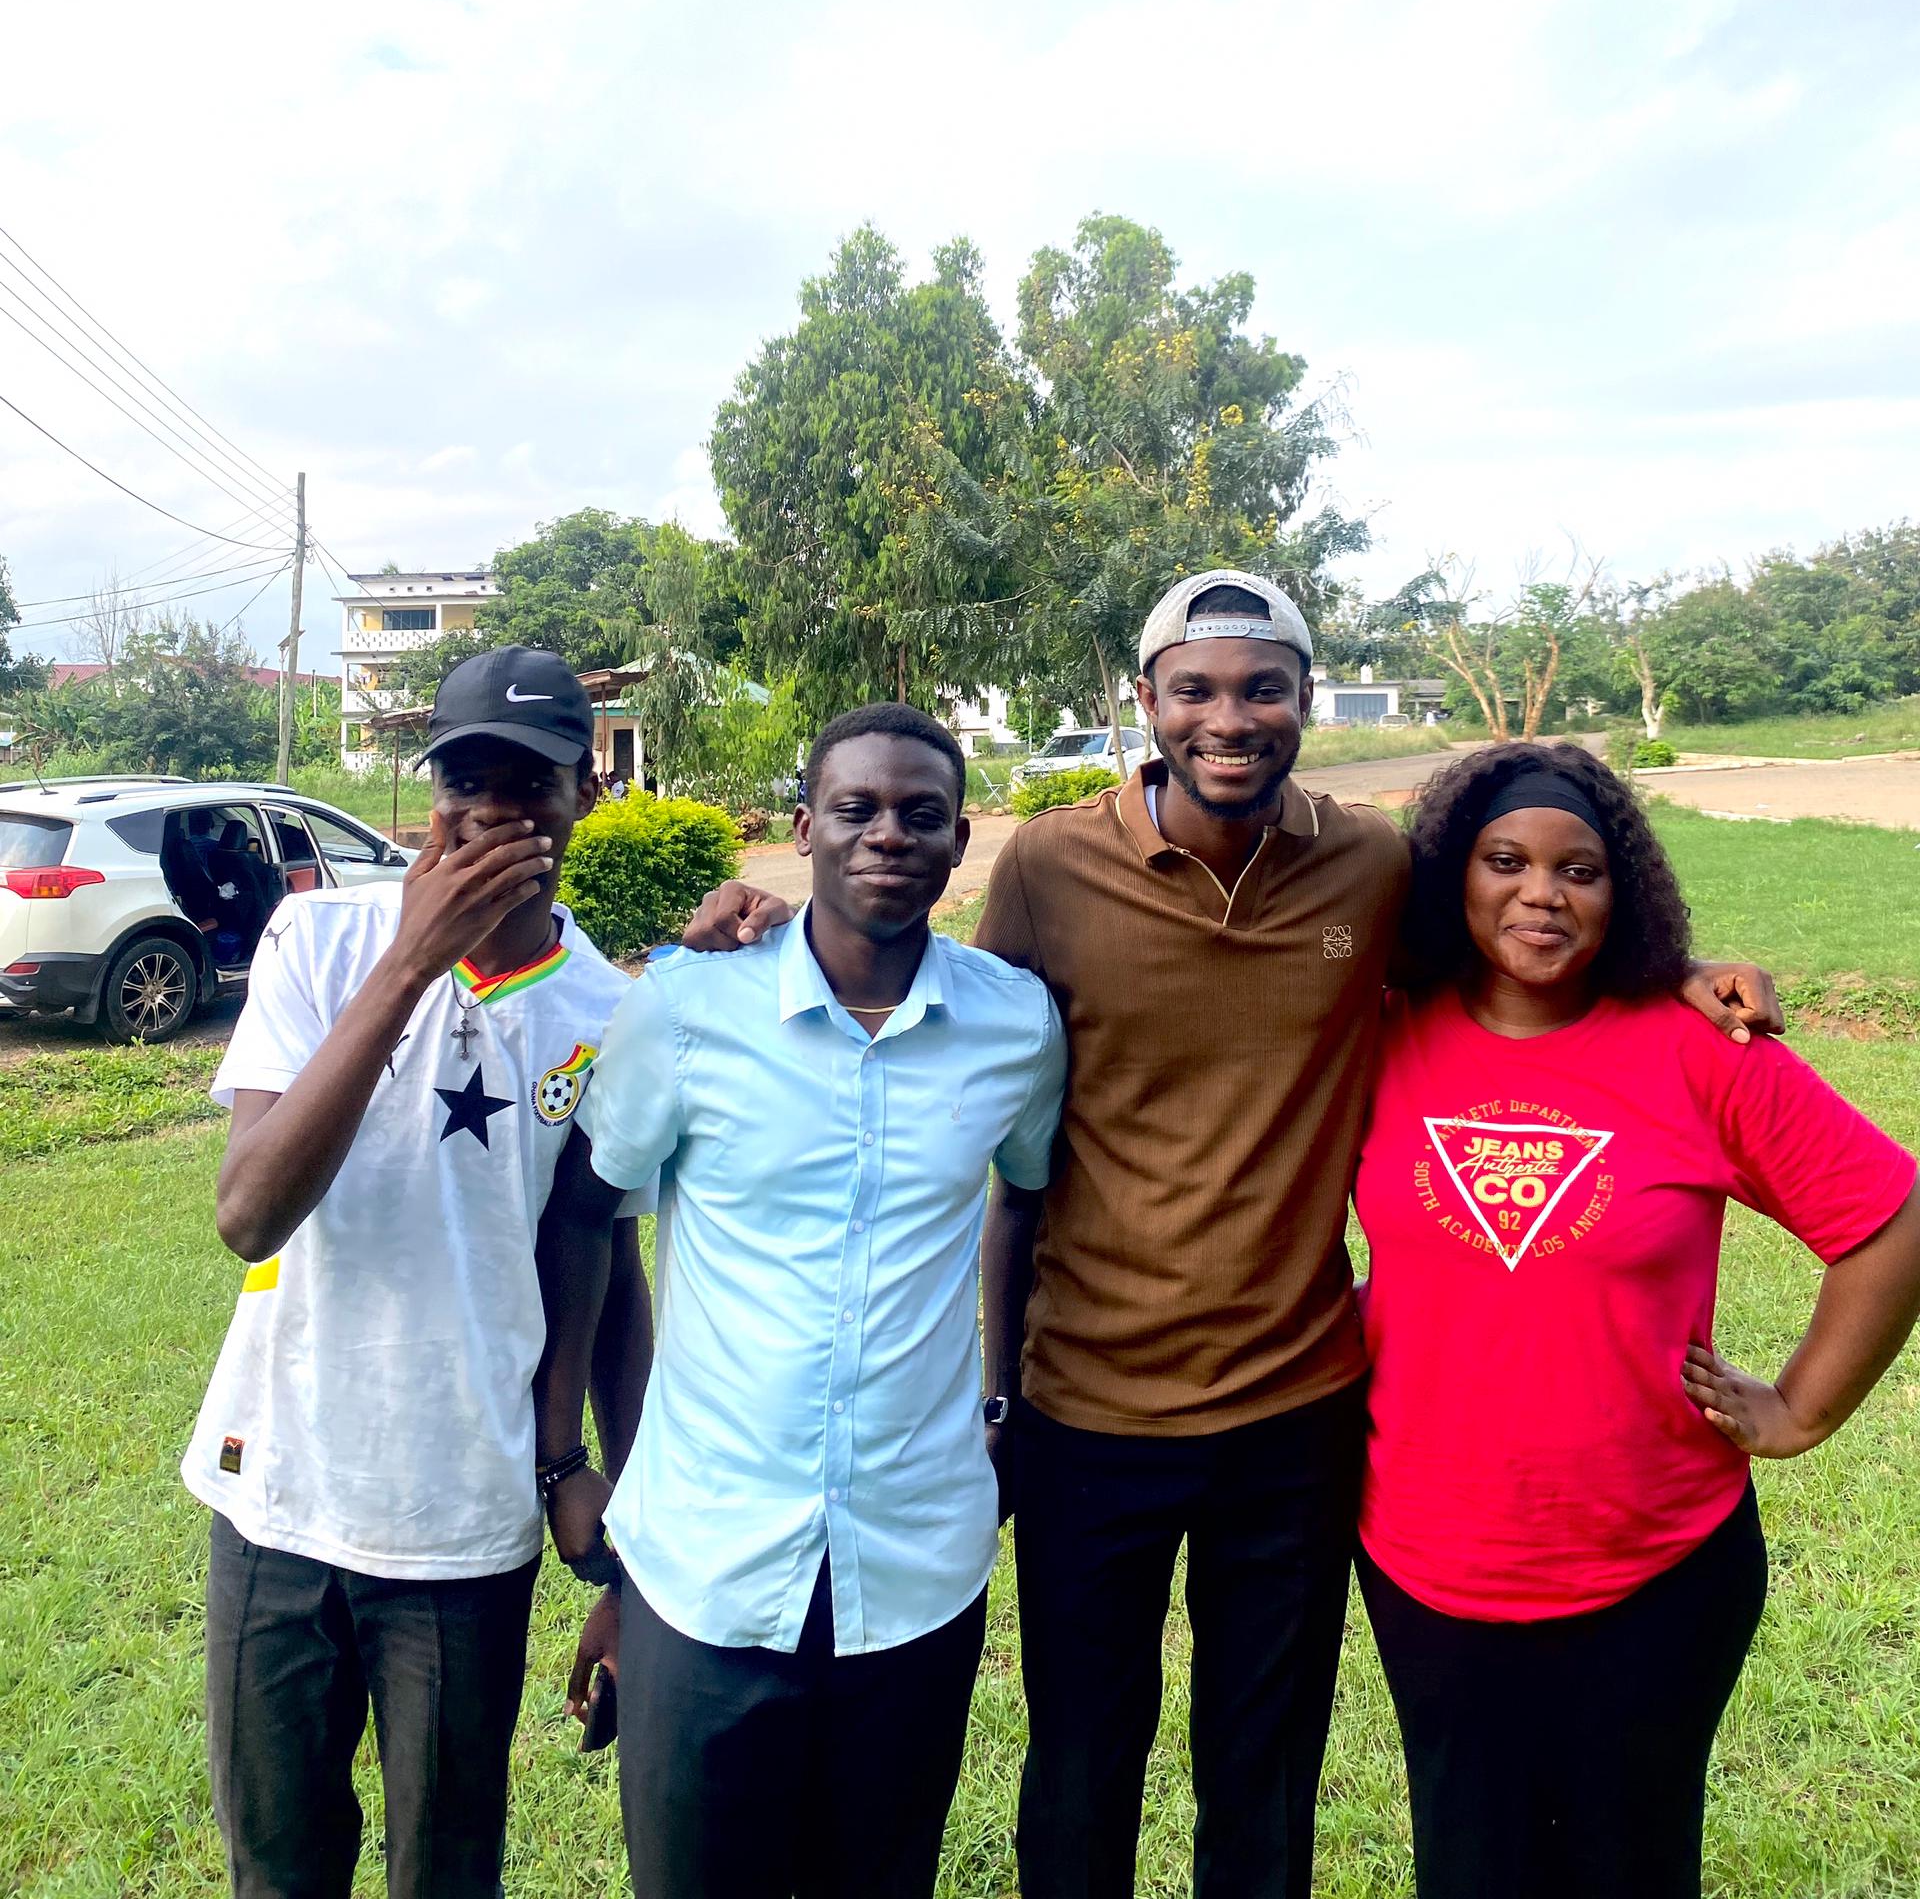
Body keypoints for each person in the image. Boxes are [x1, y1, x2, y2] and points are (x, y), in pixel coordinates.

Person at [681, 571, 1782, 1898]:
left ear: (1303, 700)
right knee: (1083, 1767)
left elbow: (1523, 924)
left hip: (1297, 1413)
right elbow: (942, 999)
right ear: (1144, 702)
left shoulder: (1369, 864)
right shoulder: (1048, 866)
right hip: (1090, 1410)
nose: (1230, 719)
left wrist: (1681, 965)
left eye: (1263, 688)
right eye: (1194, 690)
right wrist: (761, 933)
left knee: (1261, 1776)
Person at [1352, 742, 1920, 1899]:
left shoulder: (1699, 1050)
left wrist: (1804, 1404)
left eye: (1582, 870)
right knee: (1469, 1862)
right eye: (1505, 861)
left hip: (1655, 1563)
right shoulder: (1378, 1028)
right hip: (1425, 1557)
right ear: (1454, 875)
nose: (1542, 894)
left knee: (1631, 1865)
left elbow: (1891, 1218)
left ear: (1628, 893)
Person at [533, 701, 1066, 1899]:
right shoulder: (685, 1011)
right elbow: (586, 1214)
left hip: (916, 1560)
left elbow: (1023, 1202)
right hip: (705, 1563)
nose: (889, 835)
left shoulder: (1012, 1026)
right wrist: (563, 1457)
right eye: (857, 809)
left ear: (960, 838)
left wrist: (1002, 1398)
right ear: (803, 828)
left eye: (921, 814)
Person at [181, 647, 650, 1899]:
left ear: (584, 793)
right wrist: (408, 964)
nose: (496, 808)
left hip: (463, 1525)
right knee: (277, 1870)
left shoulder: (609, 1013)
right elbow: (248, 1212)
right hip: (276, 1495)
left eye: (531, 781)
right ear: (428, 789)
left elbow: (603, 1260)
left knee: (445, 1871)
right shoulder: (321, 941)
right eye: (466, 777)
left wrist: (609, 1487)